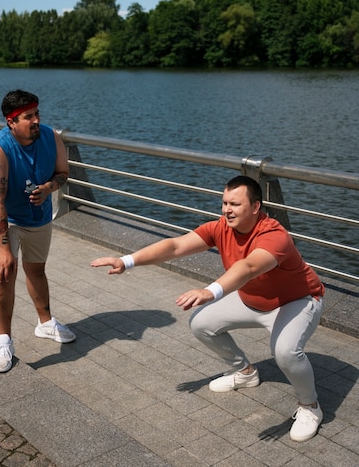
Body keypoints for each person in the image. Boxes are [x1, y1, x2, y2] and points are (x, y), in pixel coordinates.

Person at [91, 175, 324, 442]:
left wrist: (209, 291)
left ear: (256, 207)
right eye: (224, 202)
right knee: (201, 323)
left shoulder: (274, 235)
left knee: (285, 352)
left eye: (235, 204)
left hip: (298, 301)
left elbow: (247, 267)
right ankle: (244, 372)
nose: (227, 209)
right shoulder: (220, 228)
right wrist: (127, 261)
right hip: (253, 300)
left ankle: (310, 407)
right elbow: (176, 245)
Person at [0, 90, 76, 373]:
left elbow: (62, 172)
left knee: (36, 270)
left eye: (37, 114)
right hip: (6, 219)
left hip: (39, 217)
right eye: (28, 117)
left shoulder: (51, 137)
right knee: (4, 274)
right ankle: (4, 341)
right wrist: (3, 248)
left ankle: (45, 323)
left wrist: (49, 187)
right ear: (11, 122)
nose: (36, 121)